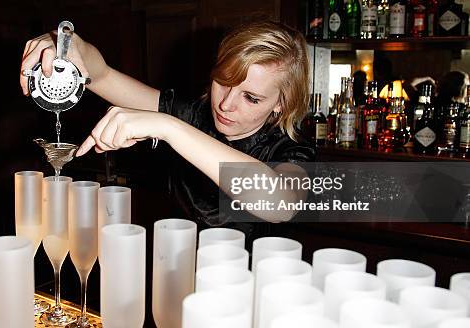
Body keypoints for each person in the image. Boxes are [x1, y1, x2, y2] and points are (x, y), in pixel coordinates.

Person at [20, 20, 315, 232]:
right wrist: (71, 45)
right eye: (222, 83)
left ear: (281, 103)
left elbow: (281, 203)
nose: (226, 104)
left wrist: (170, 127)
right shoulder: (191, 114)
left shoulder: (292, 152)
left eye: (250, 98)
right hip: (179, 278)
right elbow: (101, 75)